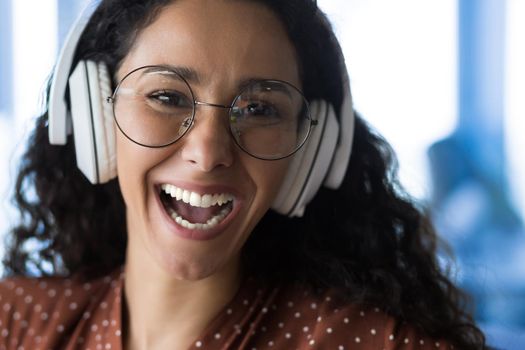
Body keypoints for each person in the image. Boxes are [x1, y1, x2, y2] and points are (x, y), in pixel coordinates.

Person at [1, 0, 486, 349]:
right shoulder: (12, 323)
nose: (209, 151)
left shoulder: (383, 345)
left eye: (259, 108)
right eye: (166, 96)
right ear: (95, 120)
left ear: (311, 149)